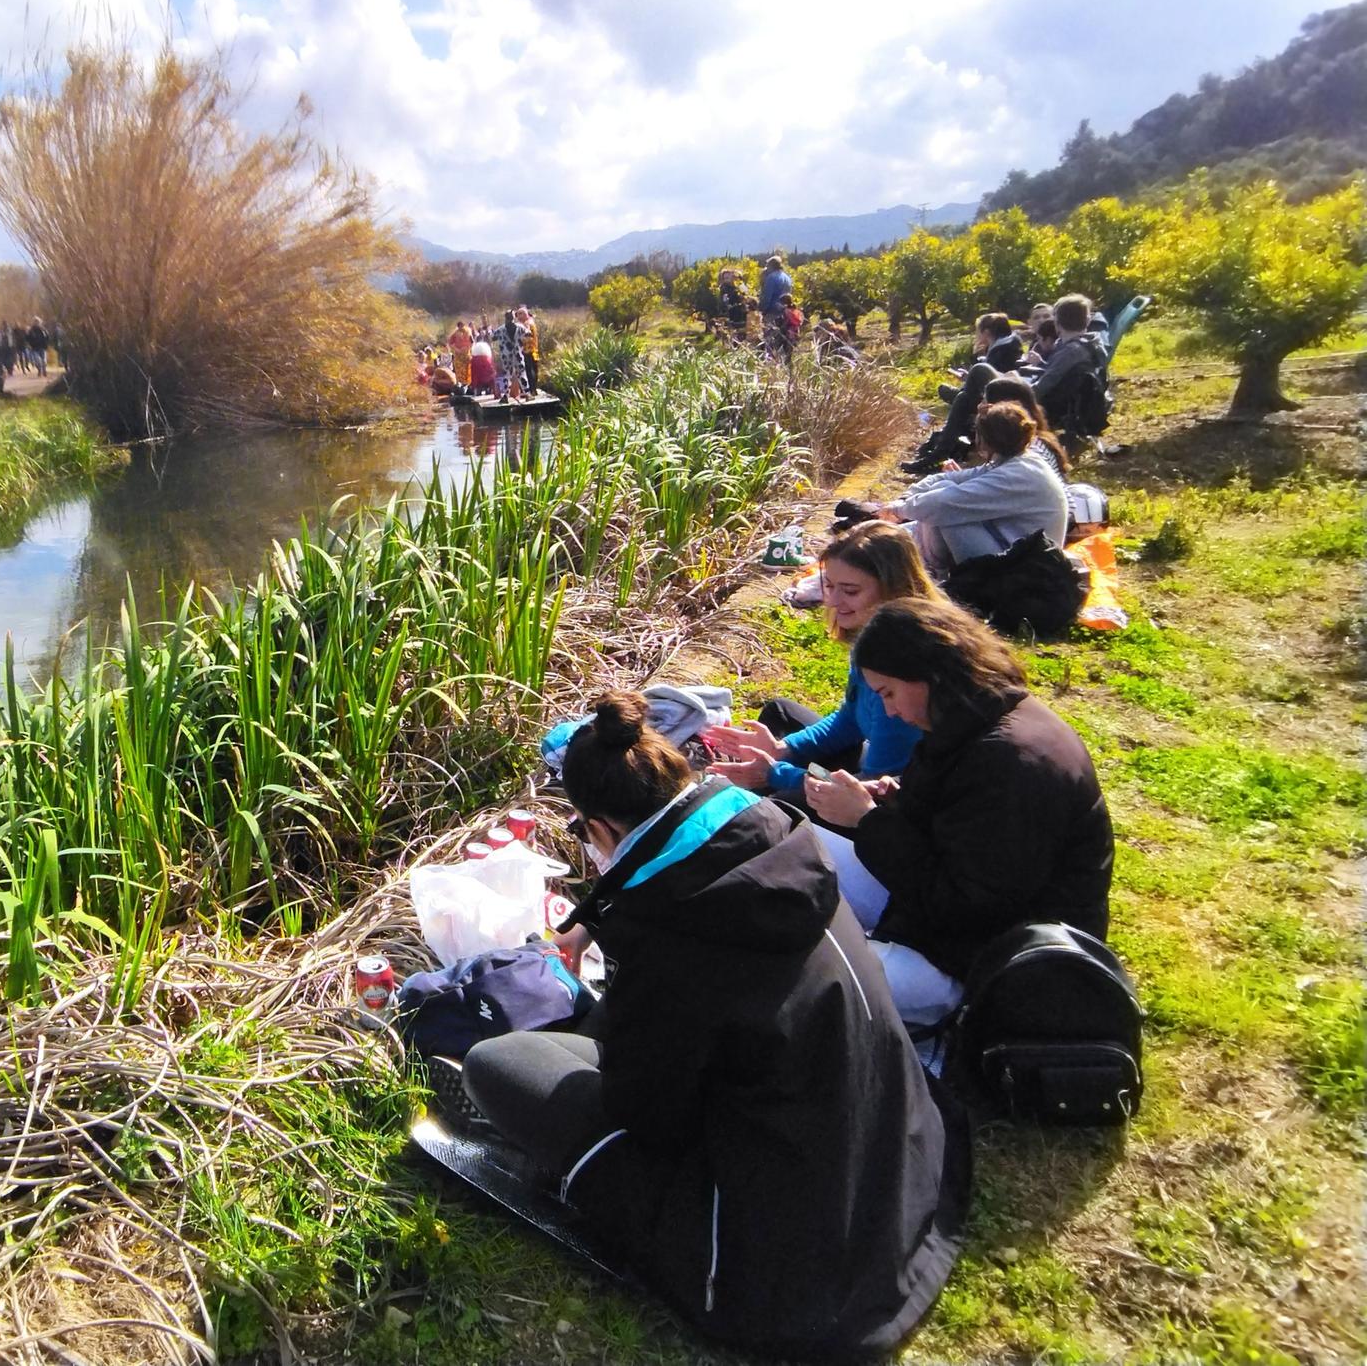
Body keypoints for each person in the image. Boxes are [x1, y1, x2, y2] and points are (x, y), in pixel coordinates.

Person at [460, 691, 967, 1358]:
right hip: (895, 1158)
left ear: (600, 828)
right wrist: (610, 922)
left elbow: (650, 1123)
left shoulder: (671, 943)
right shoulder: (779, 843)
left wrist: (627, 1014)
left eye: (585, 835)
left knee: (496, 1068)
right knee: (605, 1036)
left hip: (790, 1271)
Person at [800, 598, 1113, 1027]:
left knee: (790, 969)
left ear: (929, 675)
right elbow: (960, 824)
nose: (890, 711)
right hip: (943, 922)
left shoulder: (1009, 762)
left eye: (889, 693)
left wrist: (869, 821)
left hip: (976, 968)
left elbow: (964, 907)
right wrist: (897, 799)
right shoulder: (977, 717)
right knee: (797, 848)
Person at [710, 523, 934, 805]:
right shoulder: (871, 639)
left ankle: (759, 797)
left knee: (783, 804)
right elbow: (851, 719)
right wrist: (784, 750)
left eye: (850, 591)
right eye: (829, 586)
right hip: (868, 765)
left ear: (894, 589)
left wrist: (778, 774)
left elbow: (870, 790)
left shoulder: (902, 673)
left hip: (887, 799)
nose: (833, 601)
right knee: (780, 712)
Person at [883, 403, 1067, 573]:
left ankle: (932, 574)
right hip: (1015, 551)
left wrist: (899, 510)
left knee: (948, 513)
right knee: (943, 489)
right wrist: (904, 499)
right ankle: (930, 567)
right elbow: (948, 478)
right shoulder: (1017, 461)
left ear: (985, 439)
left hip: (1024, 570)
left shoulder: (1018, 474)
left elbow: (944, 503)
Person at [905, 312, 1030, 475]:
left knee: (964, 394)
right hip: (991, 391)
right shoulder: (1007, 344)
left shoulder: (1004, 349)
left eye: (978, 331)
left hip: (1001, 397)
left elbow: (993, 378)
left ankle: (938, 453)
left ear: (985, 332)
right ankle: (938, 451)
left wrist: (977, 359)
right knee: (955, 393)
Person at [1031, 294, 1110, 446]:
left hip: (1052, 406)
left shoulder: (1071, 351)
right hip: (1075, 404)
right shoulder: (1093, 345)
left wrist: (1015, 391)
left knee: (983, 371)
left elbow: (1042, 387)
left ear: (1057, 324)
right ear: (1087, 321)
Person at [980, 374, 1069, 477]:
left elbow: (986, 483)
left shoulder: (1027, 452)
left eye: (984, 402)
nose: (980, 407)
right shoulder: (1031, 442)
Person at [757, 254, 792, 341]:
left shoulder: (771, 278)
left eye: (767, 265)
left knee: (769, 338)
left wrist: (761, 310)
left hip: (772, 312)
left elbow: (767, 297)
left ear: (771, 265)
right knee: (781, 337)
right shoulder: (787, 278)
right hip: (784, 312)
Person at [717, 267, 749, 338]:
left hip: (741, 312)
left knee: (742, 331)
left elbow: (746, 296)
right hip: (731, 313)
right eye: (725, 278)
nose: (726, 279)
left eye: (728, 277)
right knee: (733, 332)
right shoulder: (724, 288)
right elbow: (723, 302)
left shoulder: (740, 286)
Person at [447, 320, 473, 387]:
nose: (461, 327)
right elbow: (450, 343)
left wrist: (468, 348)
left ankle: (469, 383)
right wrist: (456, 349)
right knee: (459, 370)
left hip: (466, 354)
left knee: (468, 368)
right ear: (458, 327)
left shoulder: (468, 332)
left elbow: (472, 341)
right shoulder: (455, 333)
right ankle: (461, 384)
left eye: (462, 326)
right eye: (459, 326)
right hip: (458, 355)